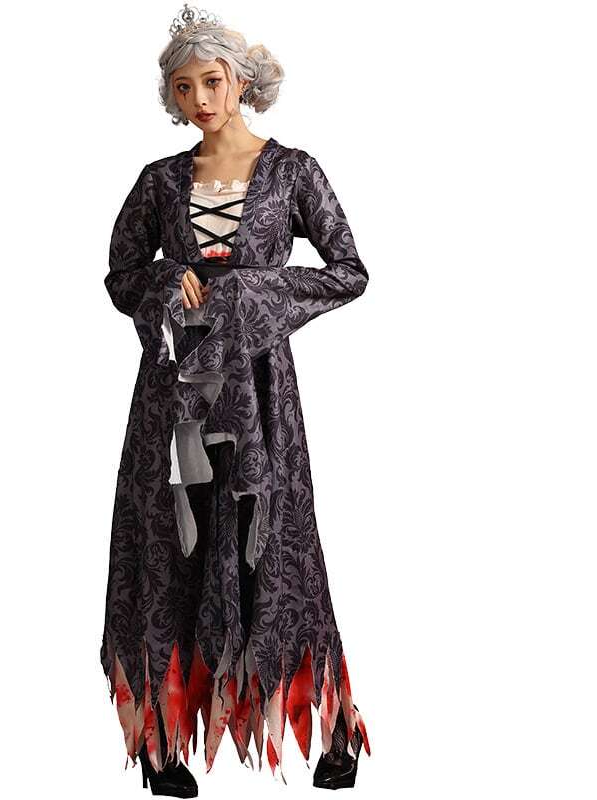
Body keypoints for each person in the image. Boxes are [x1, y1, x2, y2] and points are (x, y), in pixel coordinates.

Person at [101, 5, 372, 794]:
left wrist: (253, 290)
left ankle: (333, 726)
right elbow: (122, 275)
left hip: (258, 394)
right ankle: (160, 744)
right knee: (169, 551)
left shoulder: (293, 173)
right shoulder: (159, 181)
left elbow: (349, 271)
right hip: (175, 396)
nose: (200, 99)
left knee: (278, 547)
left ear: (240, 80)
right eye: (184, 87)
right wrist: (165, 279)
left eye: (211, 81)